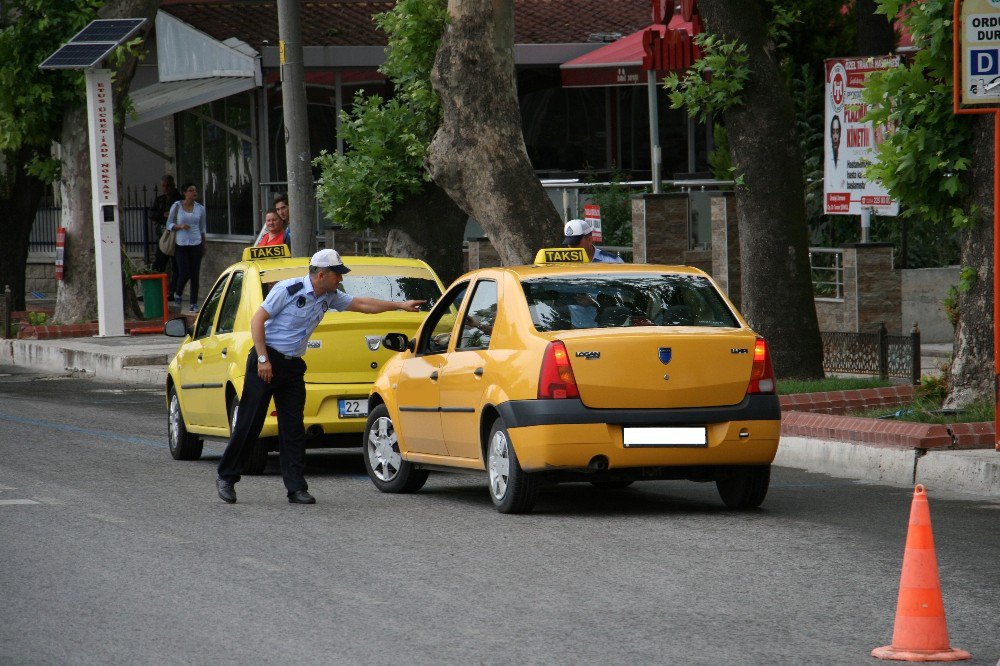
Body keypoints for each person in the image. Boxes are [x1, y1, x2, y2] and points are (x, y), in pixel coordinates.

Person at [215, 248, 426, 505]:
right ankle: (226, 477)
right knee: (250, 423)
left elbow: (362, 305)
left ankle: (296, 488)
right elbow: (258, 319)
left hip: (292, 367)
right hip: (265, 361)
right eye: (338, 275)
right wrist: (262, 359)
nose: (341, 279)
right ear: (322, 274)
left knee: (293, 429)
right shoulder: (289, 289)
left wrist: (400, 305)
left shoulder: (329, 296)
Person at [167, 182, 207, 312]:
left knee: (195, 274)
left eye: (195, 190)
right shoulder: (177, 206)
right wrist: (179, 226)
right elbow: (169, 223)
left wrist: (203, 244)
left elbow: (202, 228)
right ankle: (178, 292)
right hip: (181, 243)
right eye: (190, 190)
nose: (193, 193)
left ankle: (193, 303)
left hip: (196, 243)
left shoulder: (200, 208)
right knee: (184, 272)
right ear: (184, 193)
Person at [149, 175, 182, 295]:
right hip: (163, 237)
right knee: (158, 264)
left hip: (177, 237)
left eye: (168, 185)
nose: (166, 188)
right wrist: (163, 214)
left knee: (177, 266)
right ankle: (154, 291)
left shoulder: (179, 200)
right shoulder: (160, 200)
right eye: (164, 186)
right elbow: (151, 214)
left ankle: (173, 292)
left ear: (173, 185)